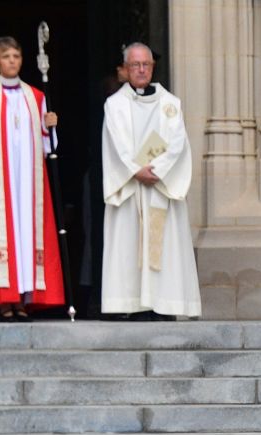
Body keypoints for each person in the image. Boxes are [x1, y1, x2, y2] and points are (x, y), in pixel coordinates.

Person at [0, 36, 65, 321]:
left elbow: (48, 148)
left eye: (16, 57)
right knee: (4, 238)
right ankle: (4, 301)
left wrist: (49, 128)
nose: (12, 62)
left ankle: (24, 299)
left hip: (29, 183)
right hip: (0, 181)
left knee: (27, 237)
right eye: (6, 56)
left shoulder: (36, 96)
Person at [100, 43, 201, 319]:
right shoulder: (115, 105)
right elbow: (115, 144)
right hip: (131, 188)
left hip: (160, 187)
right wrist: (135, 171)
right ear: (125, 69)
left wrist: (156, 171)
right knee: (129, 248)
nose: (141, 69)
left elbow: (178, 142)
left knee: (164, 249)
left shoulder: (170, 104)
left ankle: (165, 305)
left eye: (146, 64)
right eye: (135, 65)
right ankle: (131, 306)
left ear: (153, 67)